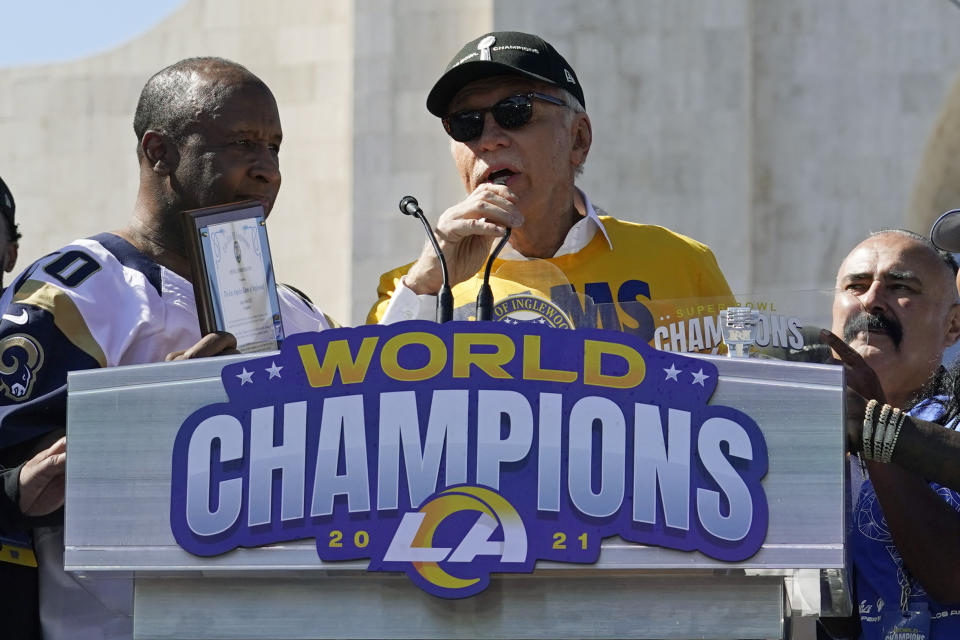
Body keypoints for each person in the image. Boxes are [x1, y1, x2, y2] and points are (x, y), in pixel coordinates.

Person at [0, 57, 336, 640]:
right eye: (243, 143)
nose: (267, 170)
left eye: (275, 148)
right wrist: (147, 414)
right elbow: (18, 479)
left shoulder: (304, 316)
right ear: (160, 152)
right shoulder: (75, 294)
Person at [367, 31, 733, 338]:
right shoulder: (411, 288)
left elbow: (752, 405)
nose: (490, 139)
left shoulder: (682, 265)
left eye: (515, 111)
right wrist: (426, 288)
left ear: (578, 139)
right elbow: (370, 408)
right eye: (466, 122)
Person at [821, 229, 960, 639]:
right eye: (856, 286)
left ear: (953, 325)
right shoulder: (790, 435)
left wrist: (874, 428)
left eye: (901, 286)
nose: (871, 300)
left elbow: (951, 577)